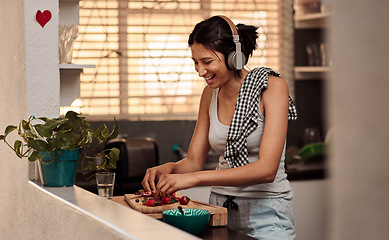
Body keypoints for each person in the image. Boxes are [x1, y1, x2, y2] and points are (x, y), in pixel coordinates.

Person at [142, 15, 297, 240]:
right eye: (195, 62)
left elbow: (267, 170)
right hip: (219, 211)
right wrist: (169, 168)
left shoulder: (272, 88)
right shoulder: (209, 94)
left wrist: (194, 179)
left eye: (207, 61)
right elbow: (194, 160)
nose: (200, 71)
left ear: (234, 57)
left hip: (267, 214)